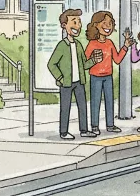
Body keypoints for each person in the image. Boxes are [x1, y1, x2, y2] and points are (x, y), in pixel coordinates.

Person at [47, 8, 101, 140]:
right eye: (74, 22)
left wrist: (94, 60)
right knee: (65, 108)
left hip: (79, 82)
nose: (78, 25)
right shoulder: (62, 45)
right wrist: (60, 77)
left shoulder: (78, 45)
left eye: (79, 22)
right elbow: (51, 64)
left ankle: (84, 130)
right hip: (66, 83)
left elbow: (83, 65)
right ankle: (63, 132)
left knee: (83, 106)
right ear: (64, 25)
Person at [84, 11, 129, 135]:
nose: (108, 26)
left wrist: (125, 46)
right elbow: (84, 62)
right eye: (104, 23)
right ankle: (94, 126)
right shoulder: (92, 44)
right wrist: (93, 60)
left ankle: (110, 125)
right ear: (96, 25)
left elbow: (118, 59)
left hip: (108, 77)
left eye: (110, 23)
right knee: (95, 102)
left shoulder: (109, 43)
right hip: (95, 77)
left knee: (110, 101)